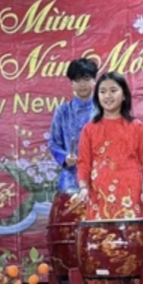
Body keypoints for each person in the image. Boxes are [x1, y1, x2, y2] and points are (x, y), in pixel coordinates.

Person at [73, 72, 143, 220]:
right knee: (102, 239)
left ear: (124, 95)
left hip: (131, 193)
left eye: (113, 90)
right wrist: (84, 188)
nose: (107, 96)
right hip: (99, 195)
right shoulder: (89, 129)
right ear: (97, 96)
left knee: (130, 238)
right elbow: (83, 164)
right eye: (102, 91)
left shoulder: (136, 127)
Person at [48, 58, 99, 192]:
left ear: (94, 81)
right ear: (71, 83)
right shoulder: (62, 111)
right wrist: (65, 157)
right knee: (70, 212)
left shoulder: (105, 111)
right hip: (70, 180)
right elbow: (53, 143)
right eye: (78, 79)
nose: (83, 84)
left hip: (100, 178)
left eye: (87, 79)